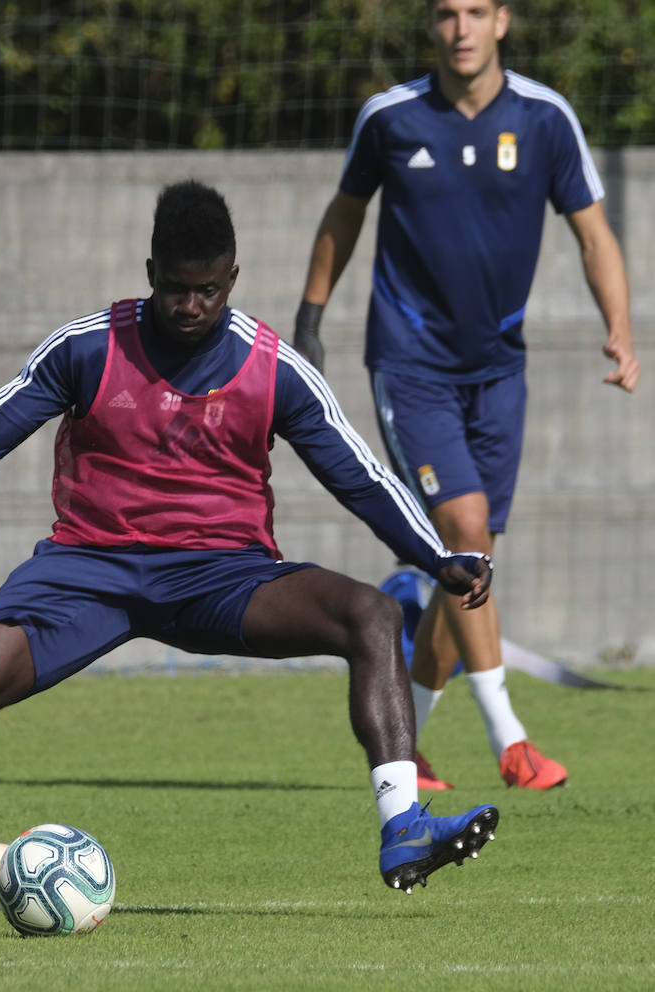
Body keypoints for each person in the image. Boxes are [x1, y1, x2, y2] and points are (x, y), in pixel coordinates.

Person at [0, 179, 500, 922]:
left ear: (233, 277)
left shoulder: (274, 369)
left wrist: (436, 558)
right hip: (86, 575)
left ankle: (402, 828)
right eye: (176, 288)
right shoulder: (89, 348)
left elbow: (360, 475)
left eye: (208, 289)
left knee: (367, 614)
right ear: (150, 274)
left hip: (222, 577)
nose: (192, 306)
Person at [293, 0, 639, 792]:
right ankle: (512, 743)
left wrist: (619, 328)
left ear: (503, 21)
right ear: (432, 27)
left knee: (468, 569)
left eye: (476, 11)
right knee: (467, 535)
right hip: (410, 366)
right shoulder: (391, 118)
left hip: (499, 371)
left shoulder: (547, 120)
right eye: (447, 13)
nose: (461, 27)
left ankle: (405, 744)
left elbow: (594, 232)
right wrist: (310, 322)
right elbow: (344, 214)